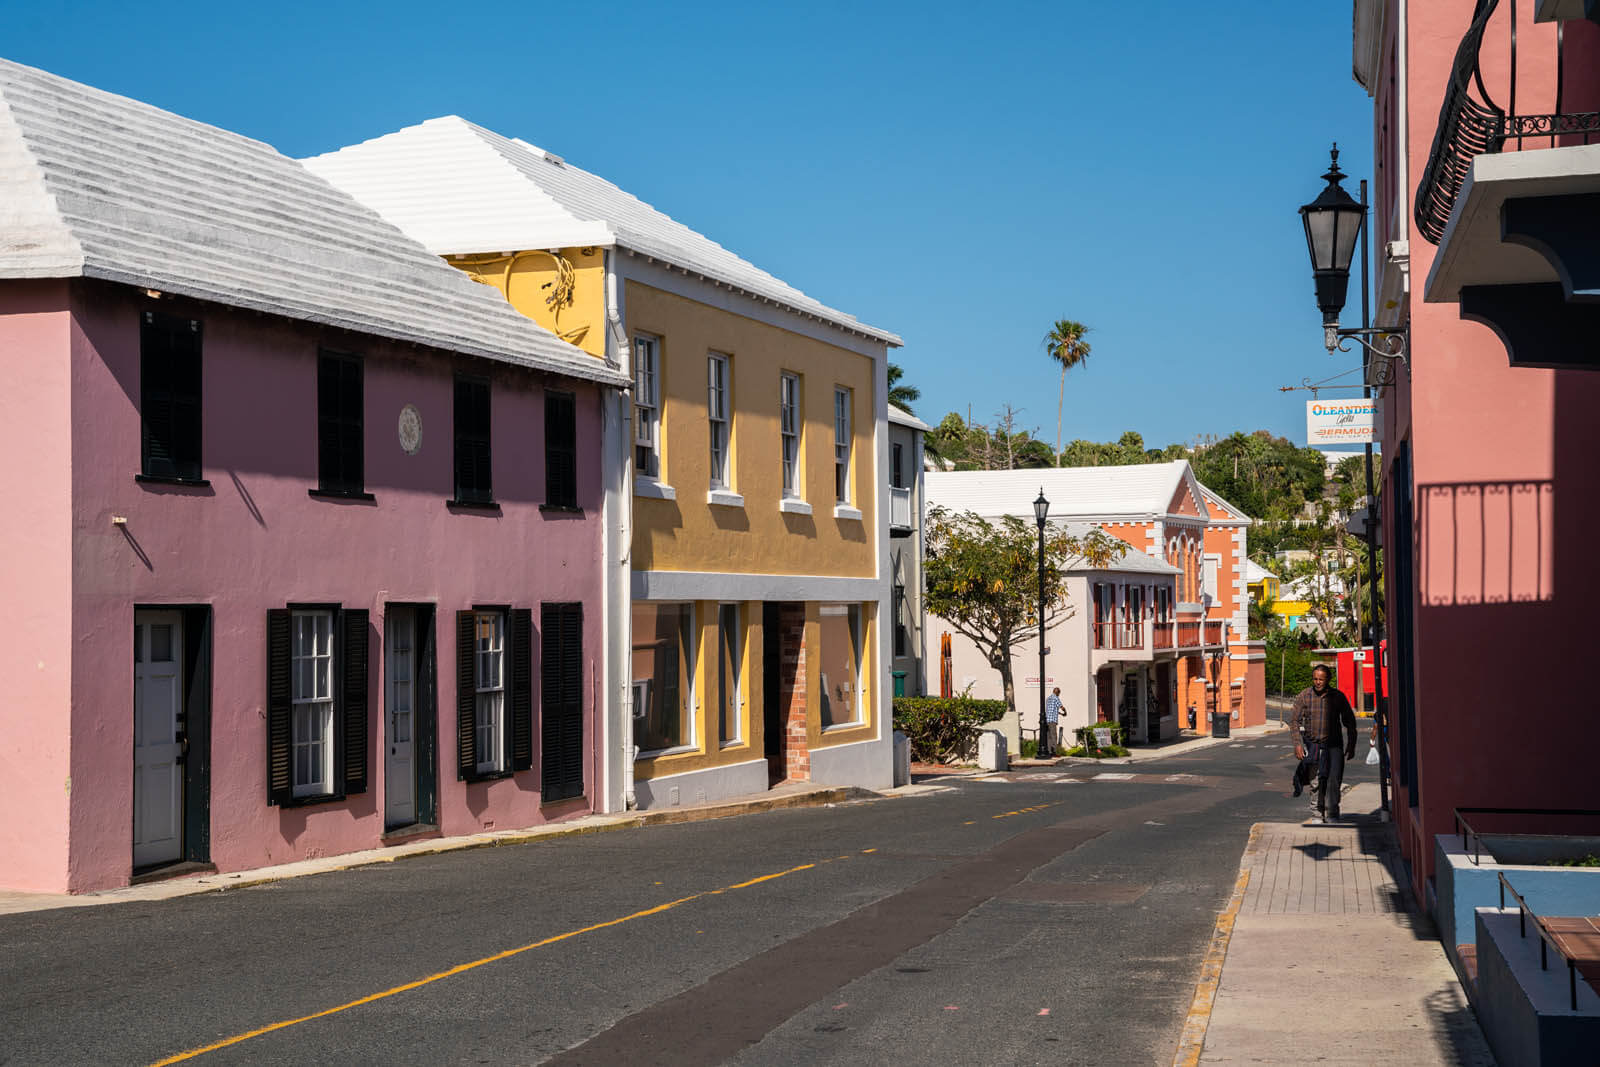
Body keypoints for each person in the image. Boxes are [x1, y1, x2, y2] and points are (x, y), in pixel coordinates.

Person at [1290, 664, 1357, 822]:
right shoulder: (1304, 696)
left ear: (1328, 680)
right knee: (1316, 781)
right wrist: (1297, 744)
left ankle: (1332, 811)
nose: (1317, 682)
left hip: (1334, 746)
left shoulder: (1338, 697)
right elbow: (1294, 720)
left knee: (1334, 779)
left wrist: (1351, 744)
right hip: (1313, 745)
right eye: (1315, 679)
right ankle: (1317, 813)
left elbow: (1350, 721)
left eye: (1321, 679)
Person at [1044, 687, 1064, 752]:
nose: (1059, 695)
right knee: (1054, 736)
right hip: (1052, 720)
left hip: (1047, 720)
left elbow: (1051, 710)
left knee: (1048, 737)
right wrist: (1065, 712)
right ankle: (1054, 752)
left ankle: (1049, 751)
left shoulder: (1048, 699)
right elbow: (1061, 707)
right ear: (1057, 692)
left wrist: (1060, 713)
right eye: (1059, 693)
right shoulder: (1056, 698)